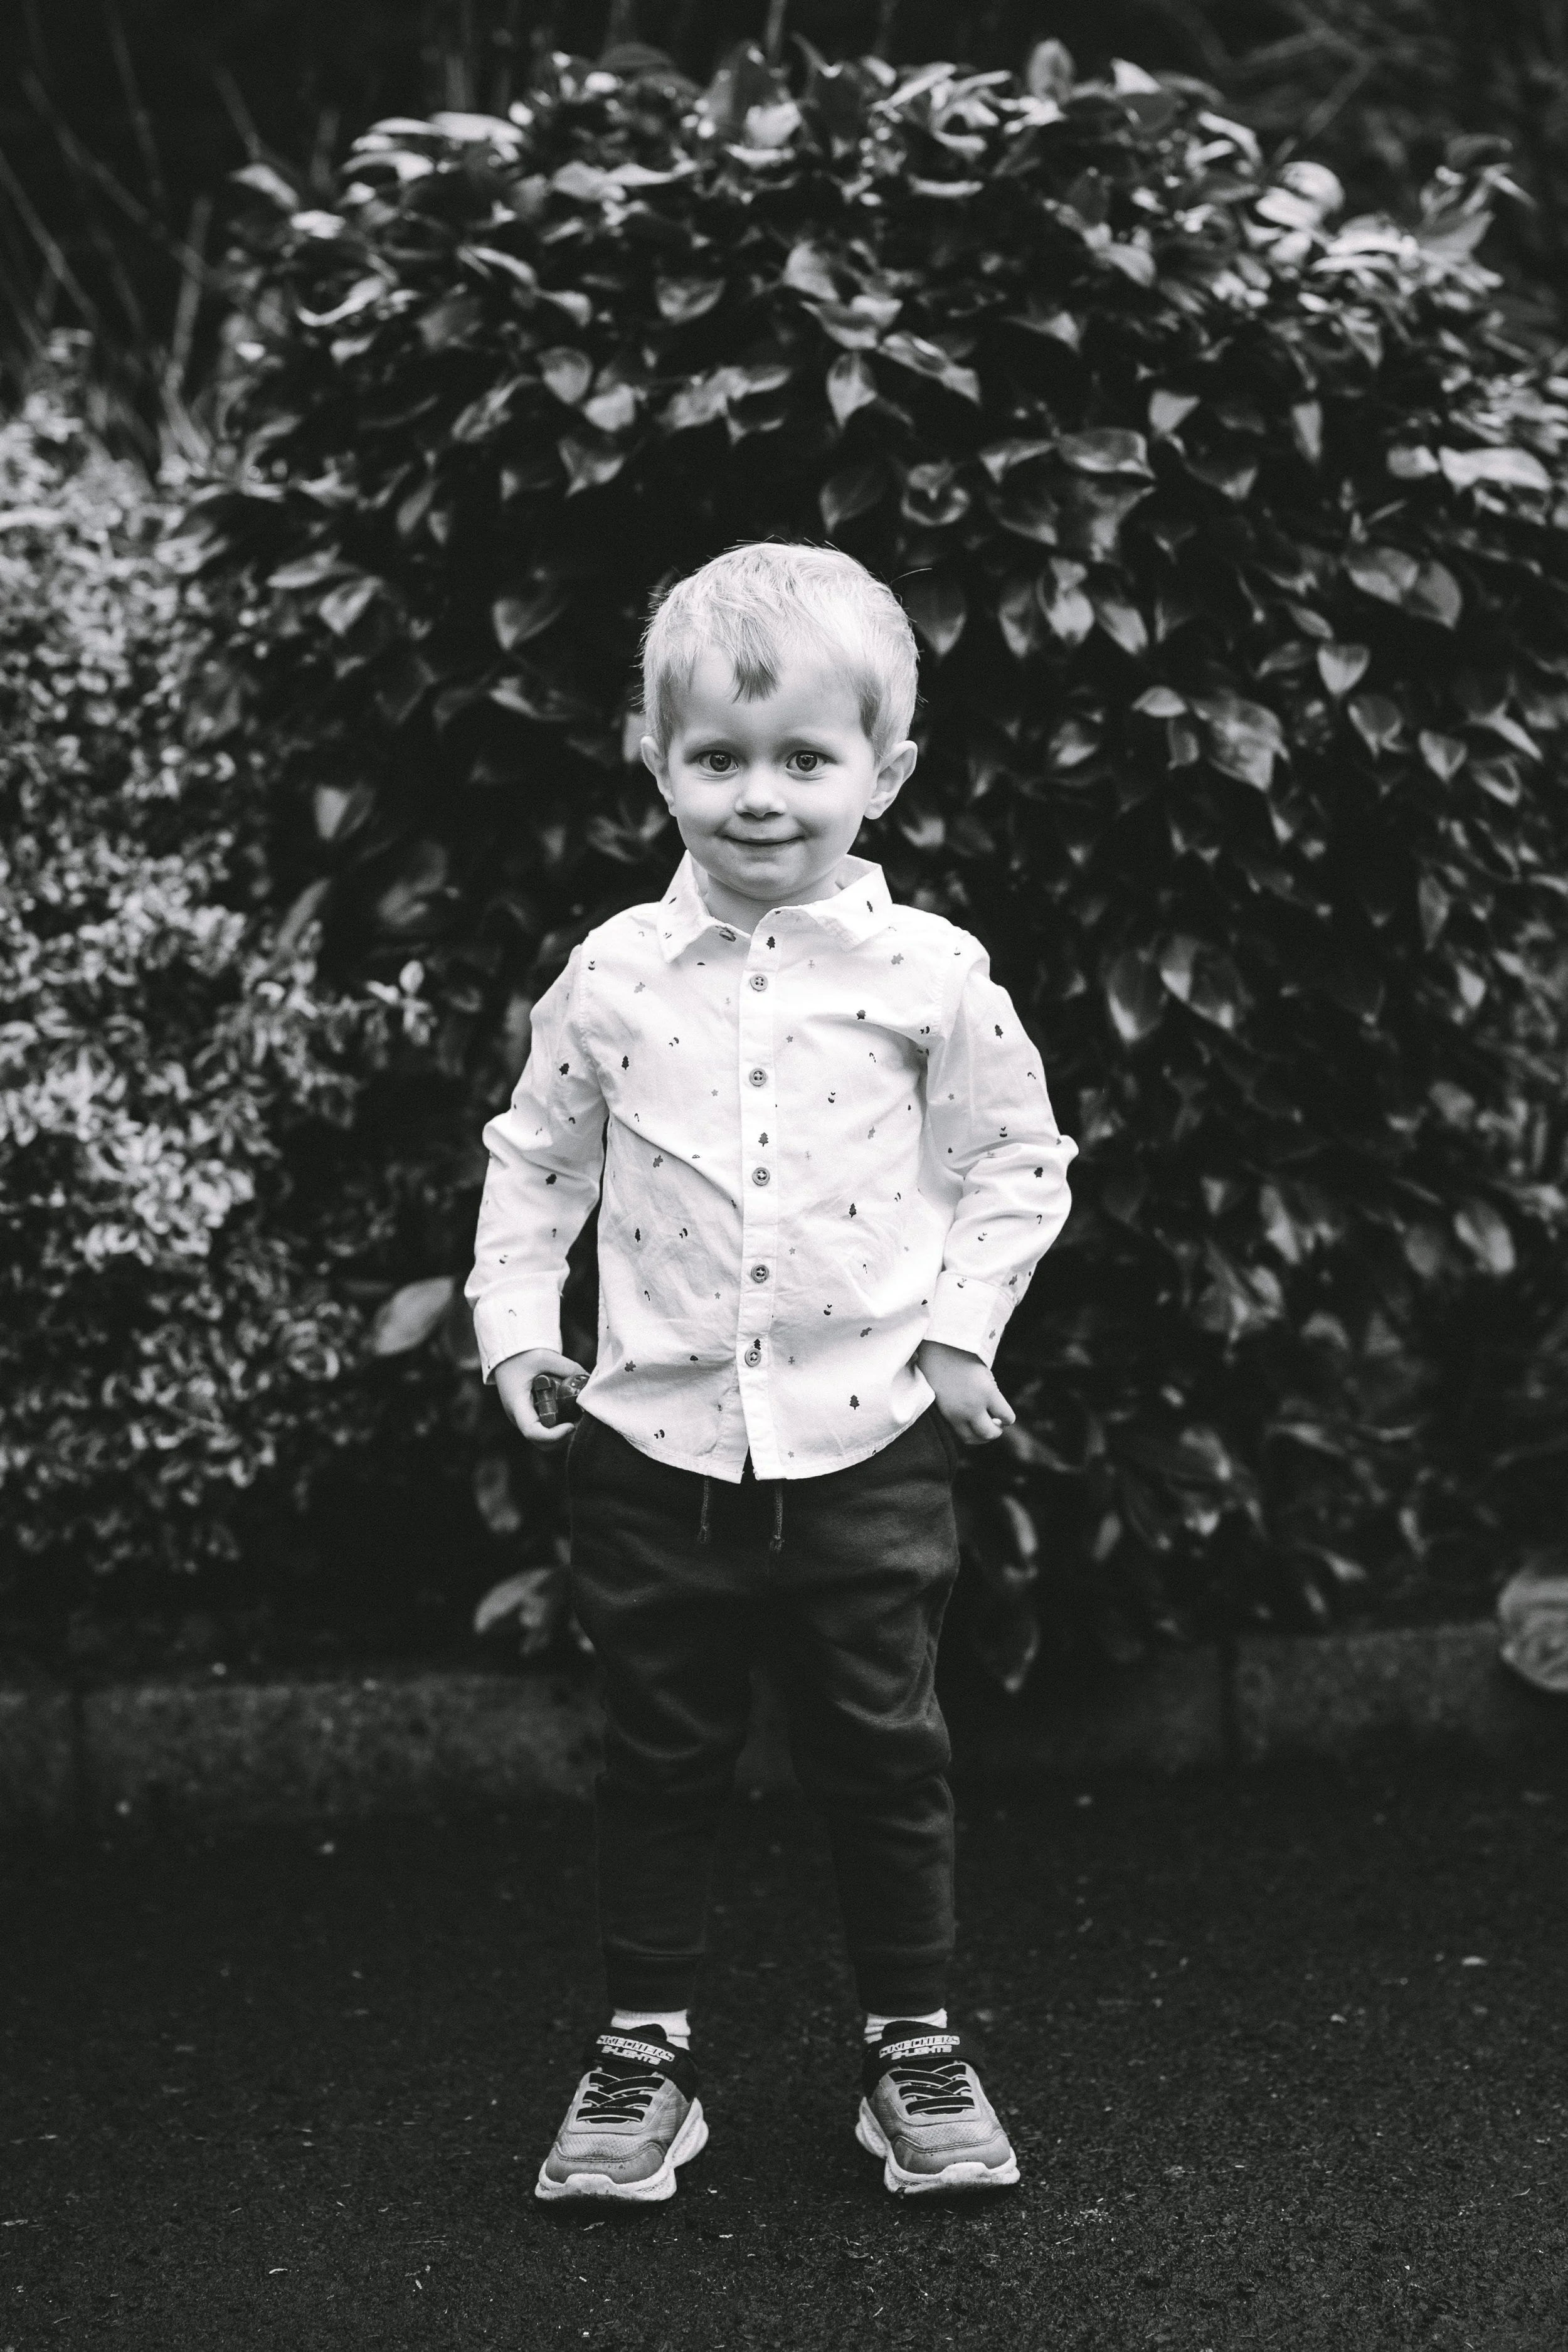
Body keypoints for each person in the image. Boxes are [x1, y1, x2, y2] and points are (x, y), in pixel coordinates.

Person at [466, 541, 1076, 2202]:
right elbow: (534, 1166)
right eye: (717, 758)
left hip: (867, 1446)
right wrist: (519, 1326)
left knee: (887, 1753)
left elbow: (1019, 1158)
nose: (758, 797)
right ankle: (644, 2056)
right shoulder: (610, 976)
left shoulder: (926, 975)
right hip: (649, 1450)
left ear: (884, 772)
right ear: (651, 757)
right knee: (658, 1756)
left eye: (805, 758)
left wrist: (961, 1334)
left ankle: (914, 2051)